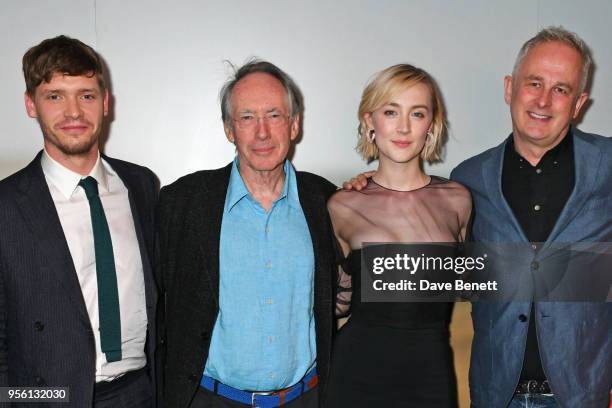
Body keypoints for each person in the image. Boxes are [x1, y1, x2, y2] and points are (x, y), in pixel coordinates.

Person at [158, 60, 337, 408]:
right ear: (229, 129)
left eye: (274, 115)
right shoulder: (181, 202)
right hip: (210, 400)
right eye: (247, 118)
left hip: (307, 398)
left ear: (294, 124)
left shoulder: (329, 202)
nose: (262, 133)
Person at [450, 27, 612, 407]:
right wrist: (369, 184)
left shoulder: (607, 165)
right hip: (495, 393)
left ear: (578, 103)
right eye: (534, 83)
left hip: (582, 393)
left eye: (561, 89)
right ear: (509, 88)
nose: (543, 100)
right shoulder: (467, 179)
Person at [0, 36, 158, 407]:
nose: (73, 112)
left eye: (86, 95)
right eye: (55, 96)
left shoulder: (141, 185)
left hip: (141, 393)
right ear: (31, 104)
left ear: (105, 103)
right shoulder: (6, 205)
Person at [324, 64, 471, 408]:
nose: (403, 127)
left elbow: (473, 288)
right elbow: (334, 302)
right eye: (391, 111)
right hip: (356, 376)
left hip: (431, 376)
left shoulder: (459, 201)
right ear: (369, 121)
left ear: (431, 125)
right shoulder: (341, 205)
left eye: (417, 113)